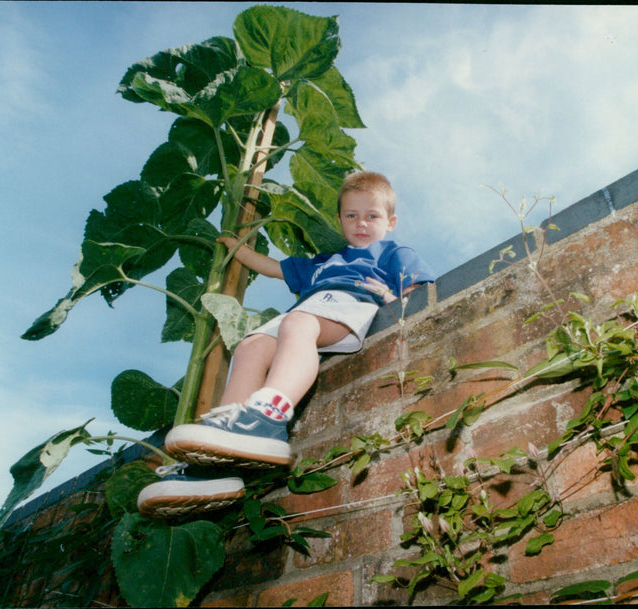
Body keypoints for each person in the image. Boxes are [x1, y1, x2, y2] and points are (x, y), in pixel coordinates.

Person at [138, 171, 435, 518]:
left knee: (297, 323)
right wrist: (235, 247)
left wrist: (391, 297)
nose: (361, 223)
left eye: (372, 216)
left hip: (351, 302)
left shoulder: (391, 251)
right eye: (351, 215)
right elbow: (273, 267)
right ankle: (221, 453)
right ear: (340, 220)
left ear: (391, 221)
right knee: (252, 345)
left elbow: (418, 287)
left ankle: (269, 415)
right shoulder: (323, 262)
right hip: (311, 307)